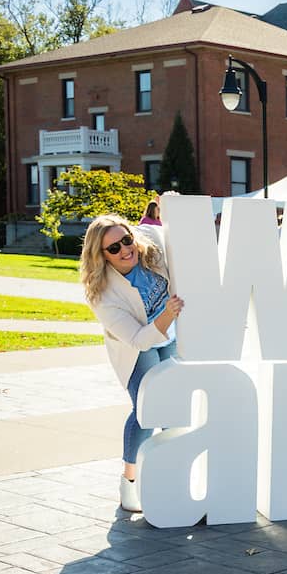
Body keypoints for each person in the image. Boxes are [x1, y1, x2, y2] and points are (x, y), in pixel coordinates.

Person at [80, 212, 184, 513]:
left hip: (171, 336)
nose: (125, 250)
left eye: (126, 240)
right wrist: (167, 314)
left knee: (174, 409)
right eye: (114, 248)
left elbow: (177, 233)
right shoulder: (101, 294)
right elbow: (138, 339)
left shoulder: (149, 249)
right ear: (101, 256)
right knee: (146, 410)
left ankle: (171, 476)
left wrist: (171, 205)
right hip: (138, 349)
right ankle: (130, 482)